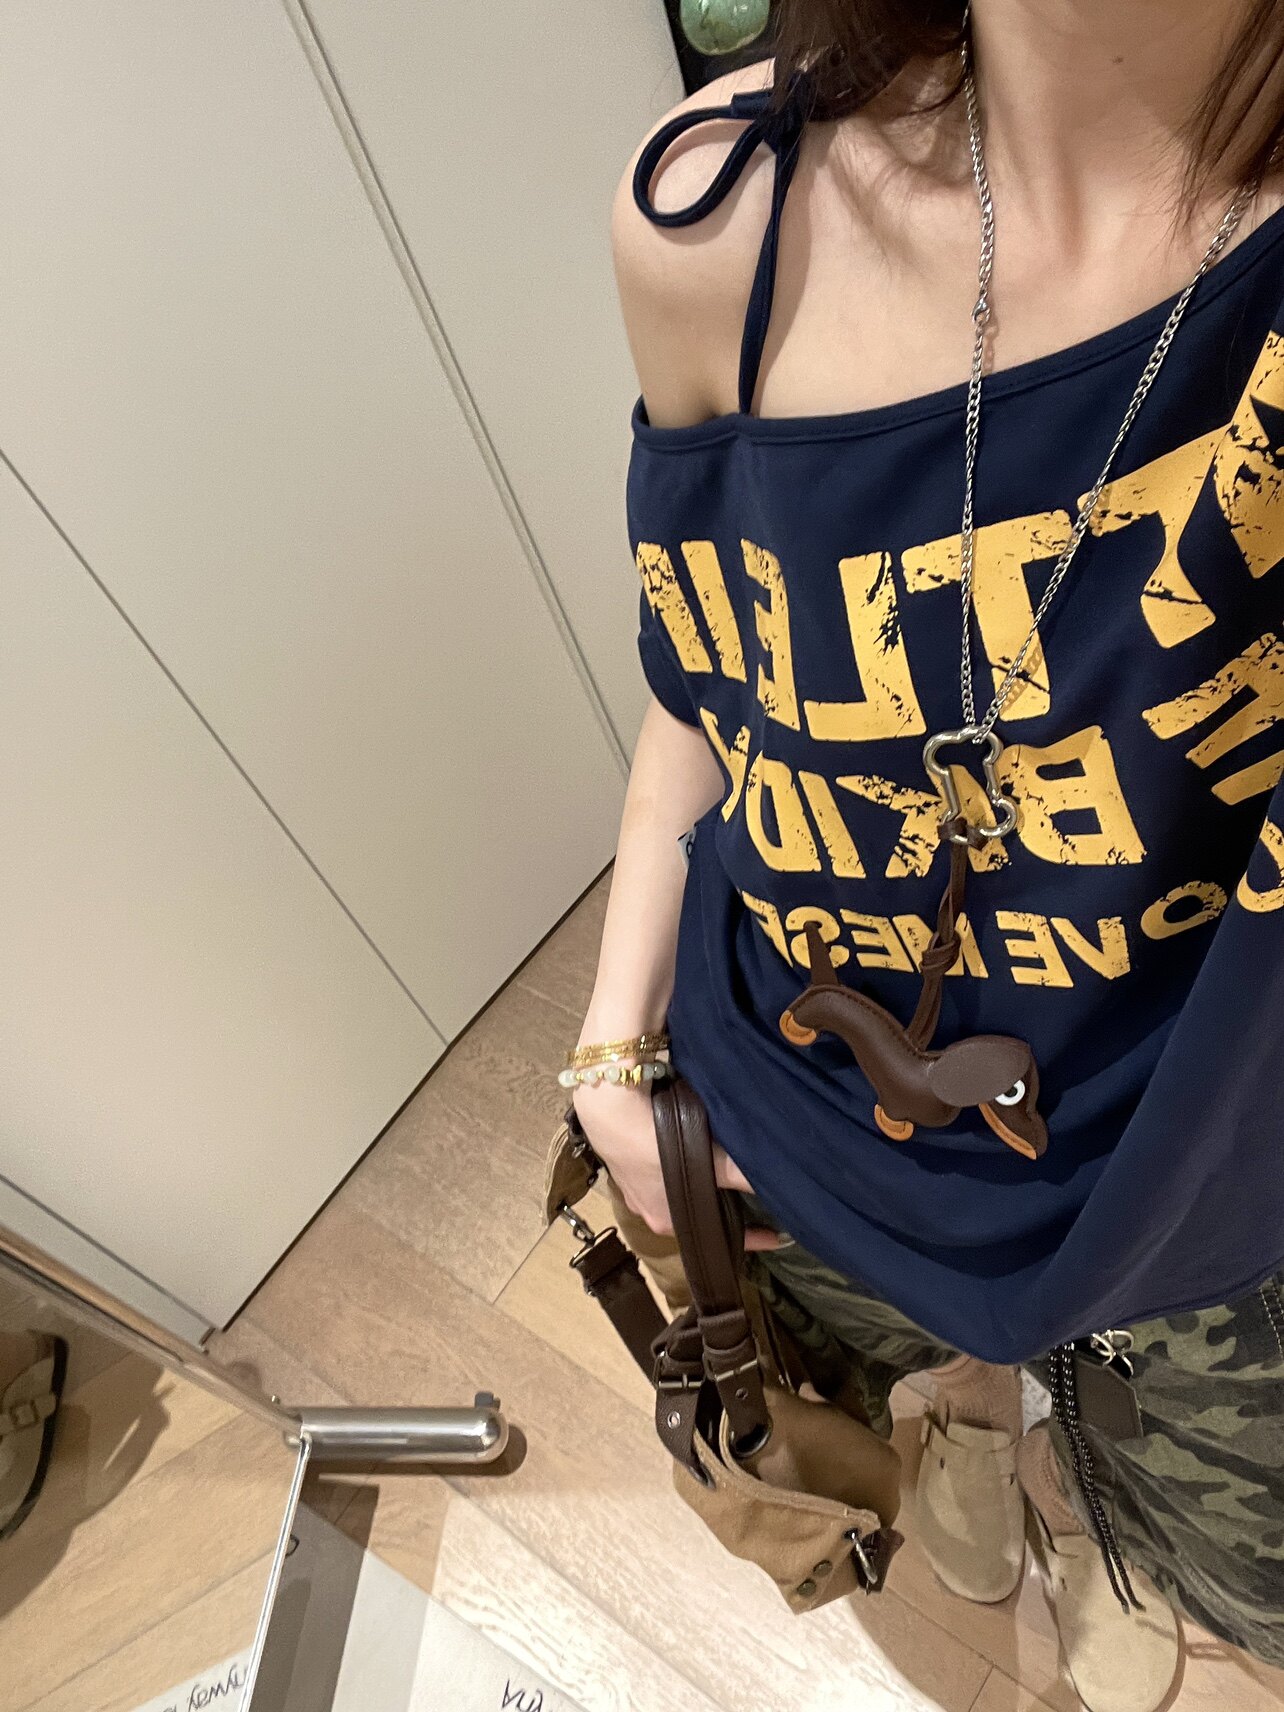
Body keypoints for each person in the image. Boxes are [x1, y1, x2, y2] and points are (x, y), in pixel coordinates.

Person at [570, 4, 1284, 1708]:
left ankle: (1094, 1504)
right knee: (945, 1363)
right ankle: (981, 1413)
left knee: (1185, 1488)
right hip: (800, 1136)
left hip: (1192, 1211)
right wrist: (613, 1043)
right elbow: (708, 670)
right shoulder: (719, 217)